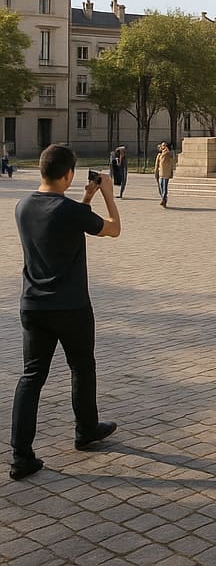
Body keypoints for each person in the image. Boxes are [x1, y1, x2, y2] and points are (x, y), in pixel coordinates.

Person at [9, 145, 121, 480]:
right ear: (68, 174)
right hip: (71, 306)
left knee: (32, 377)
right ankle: (86, 430)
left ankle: (21, 456)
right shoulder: (69, 211)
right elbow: (113, 228)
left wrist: (85, 199)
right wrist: (106, 194)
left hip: (33, 305)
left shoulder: (23, 206)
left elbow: (60, 225)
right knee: (82, 367)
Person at [154, 141, 174, 208]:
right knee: (161, 188)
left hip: (166, 174)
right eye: (162, 145)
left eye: (165, 145)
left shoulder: (168, 154)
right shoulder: (159, 155)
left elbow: (171, 161)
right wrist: (156, 172)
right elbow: (157, 165)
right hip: (160, 174)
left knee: (165, 188)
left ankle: (163, 199)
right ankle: (164, 199)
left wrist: (171, 172)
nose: (163, 147)